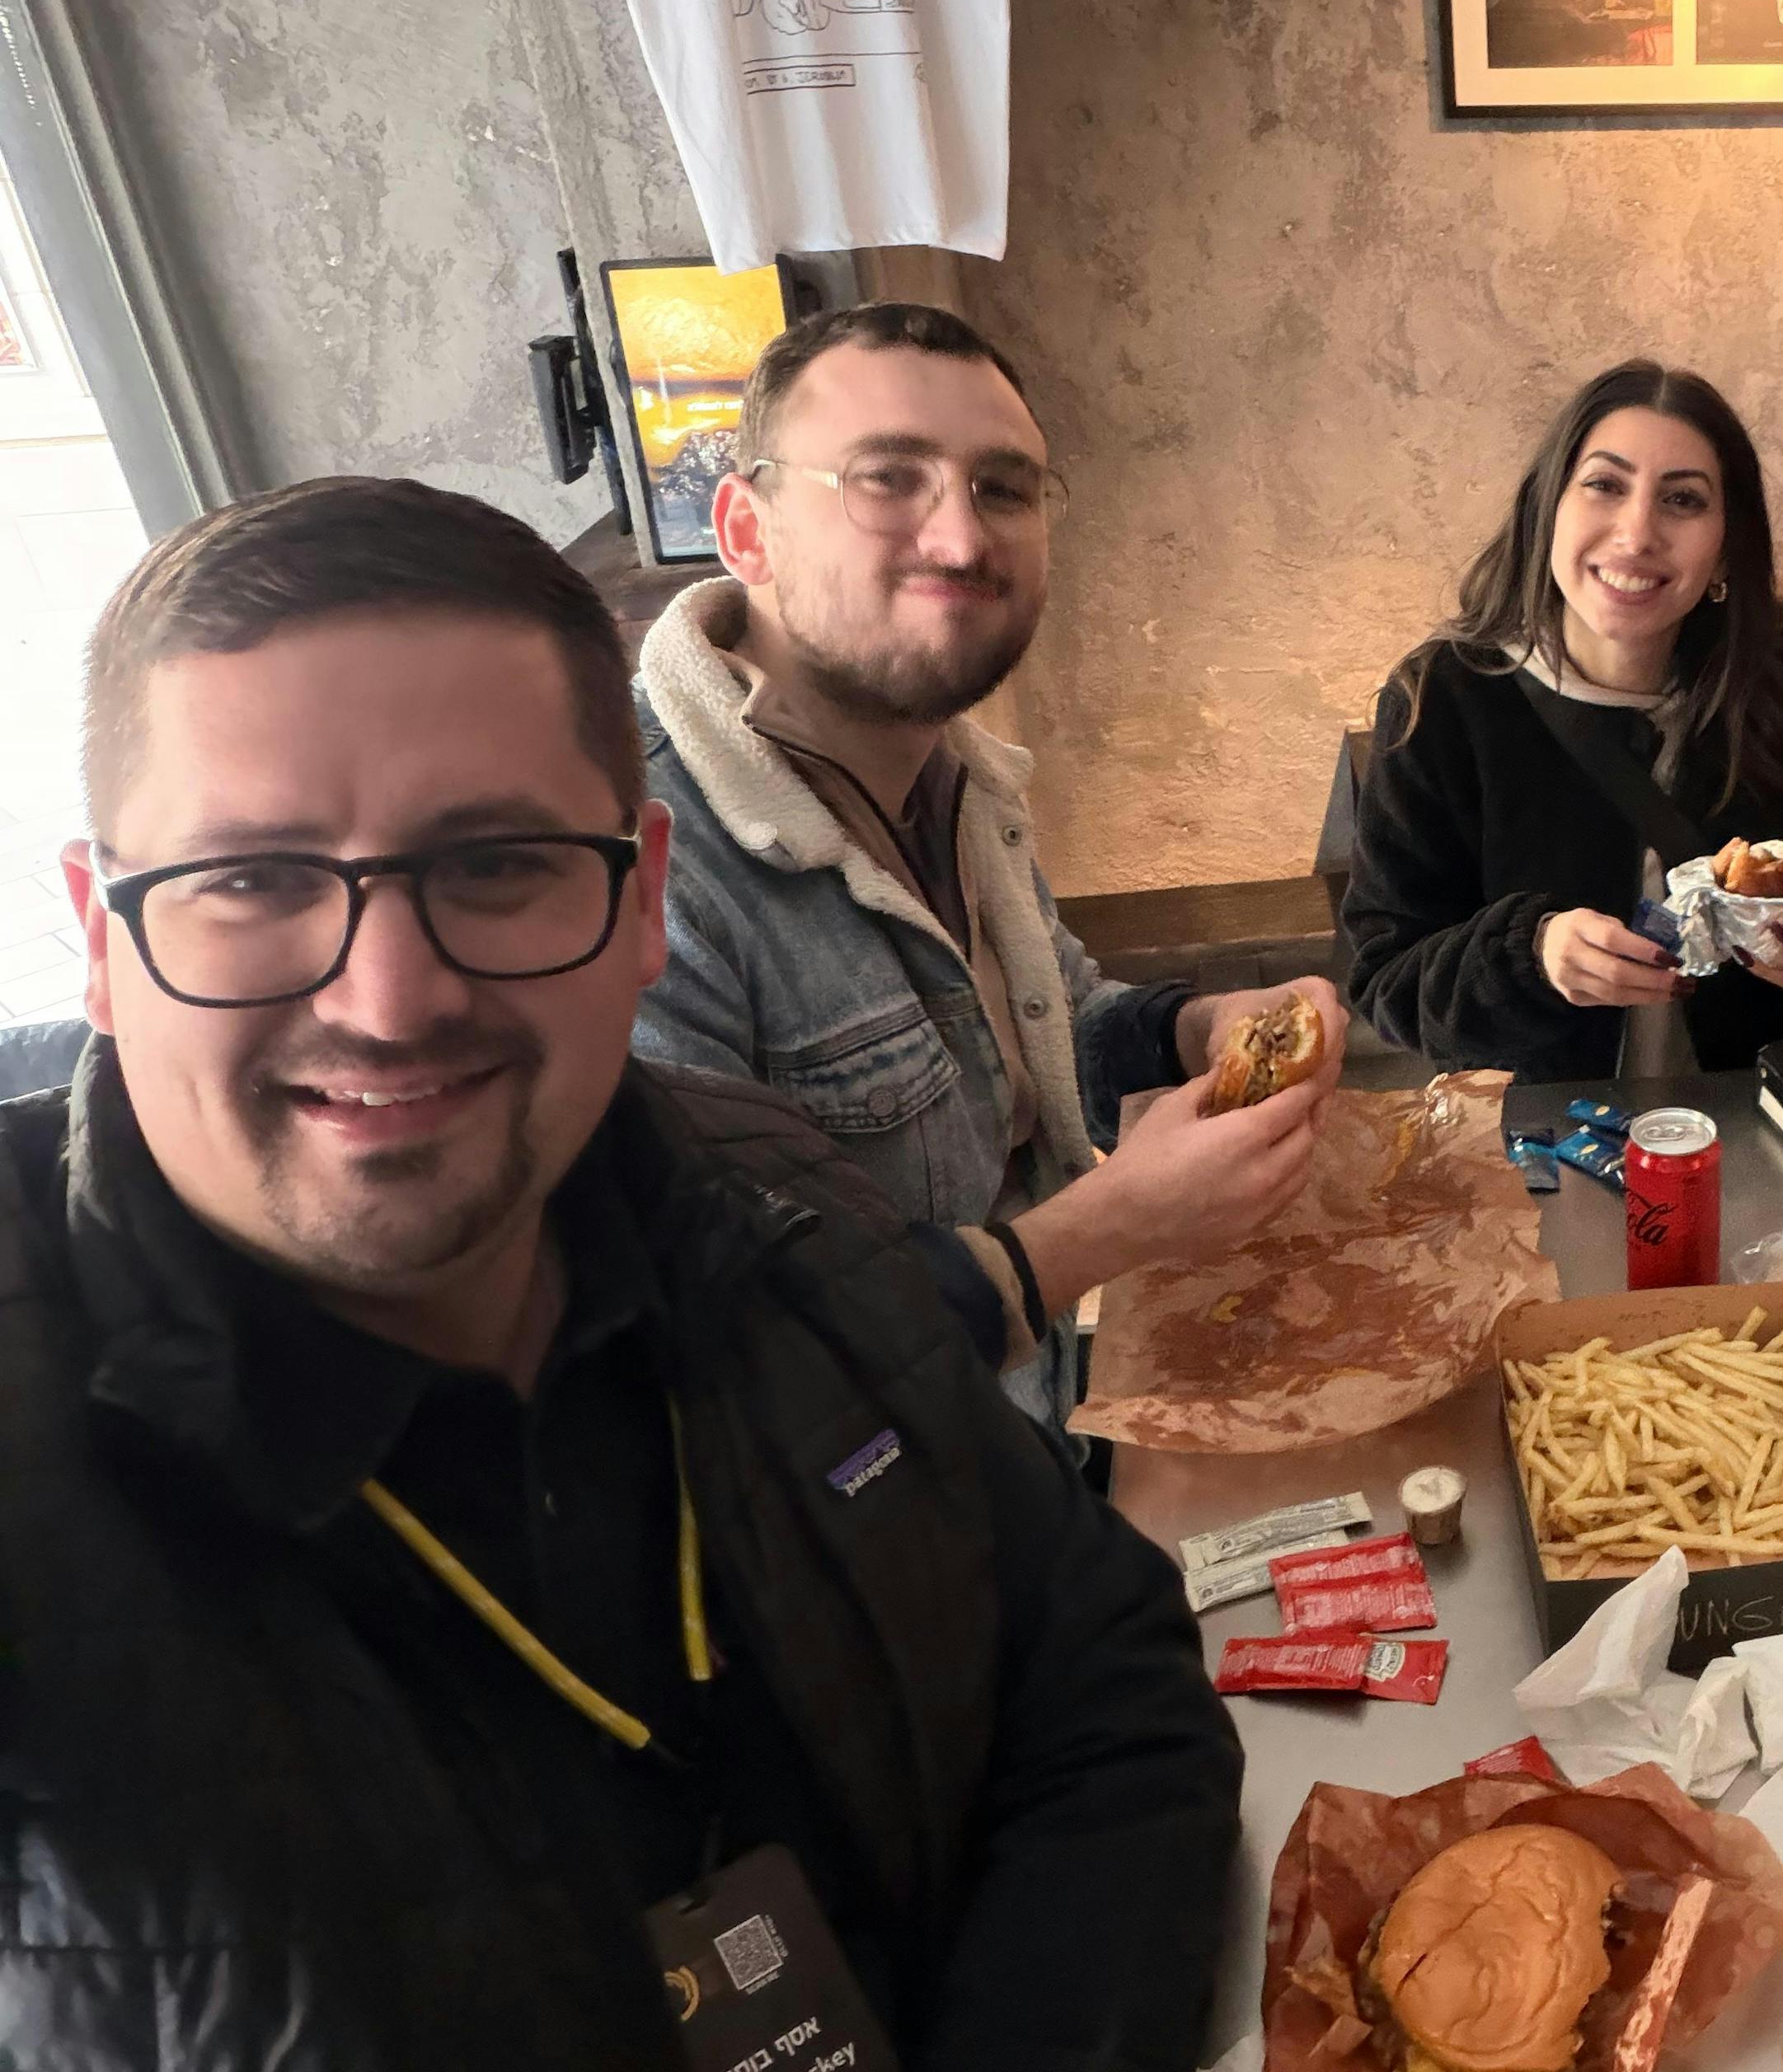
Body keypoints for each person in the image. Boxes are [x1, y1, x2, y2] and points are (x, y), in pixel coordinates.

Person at [4, 479, 1240, 2067]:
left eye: (498, 863)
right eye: (251, 879)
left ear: (643, 895)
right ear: (99, 939)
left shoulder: (769, 1192)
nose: (387, 1000)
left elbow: (1102, 1684)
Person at [632, 302, 1344, 1414]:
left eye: (1003, 489)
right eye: (887, 478)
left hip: (1019, 1460)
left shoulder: (959, 777)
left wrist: (1196, 1029)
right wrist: (1111, 1227)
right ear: (746, 528)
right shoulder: (639, 862)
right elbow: (729, 1349)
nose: (962, 540)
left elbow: (1048, 1031)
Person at [1340, 360, 1783, 1080]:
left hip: (1753, 1137)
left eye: (1682, 500)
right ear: (1547, 505)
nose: (1637, 533)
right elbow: (1386, 982)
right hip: (1540, 1151)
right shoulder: (1445, 702)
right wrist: (1533, 956)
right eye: (1605, 485)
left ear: (1727, 544)